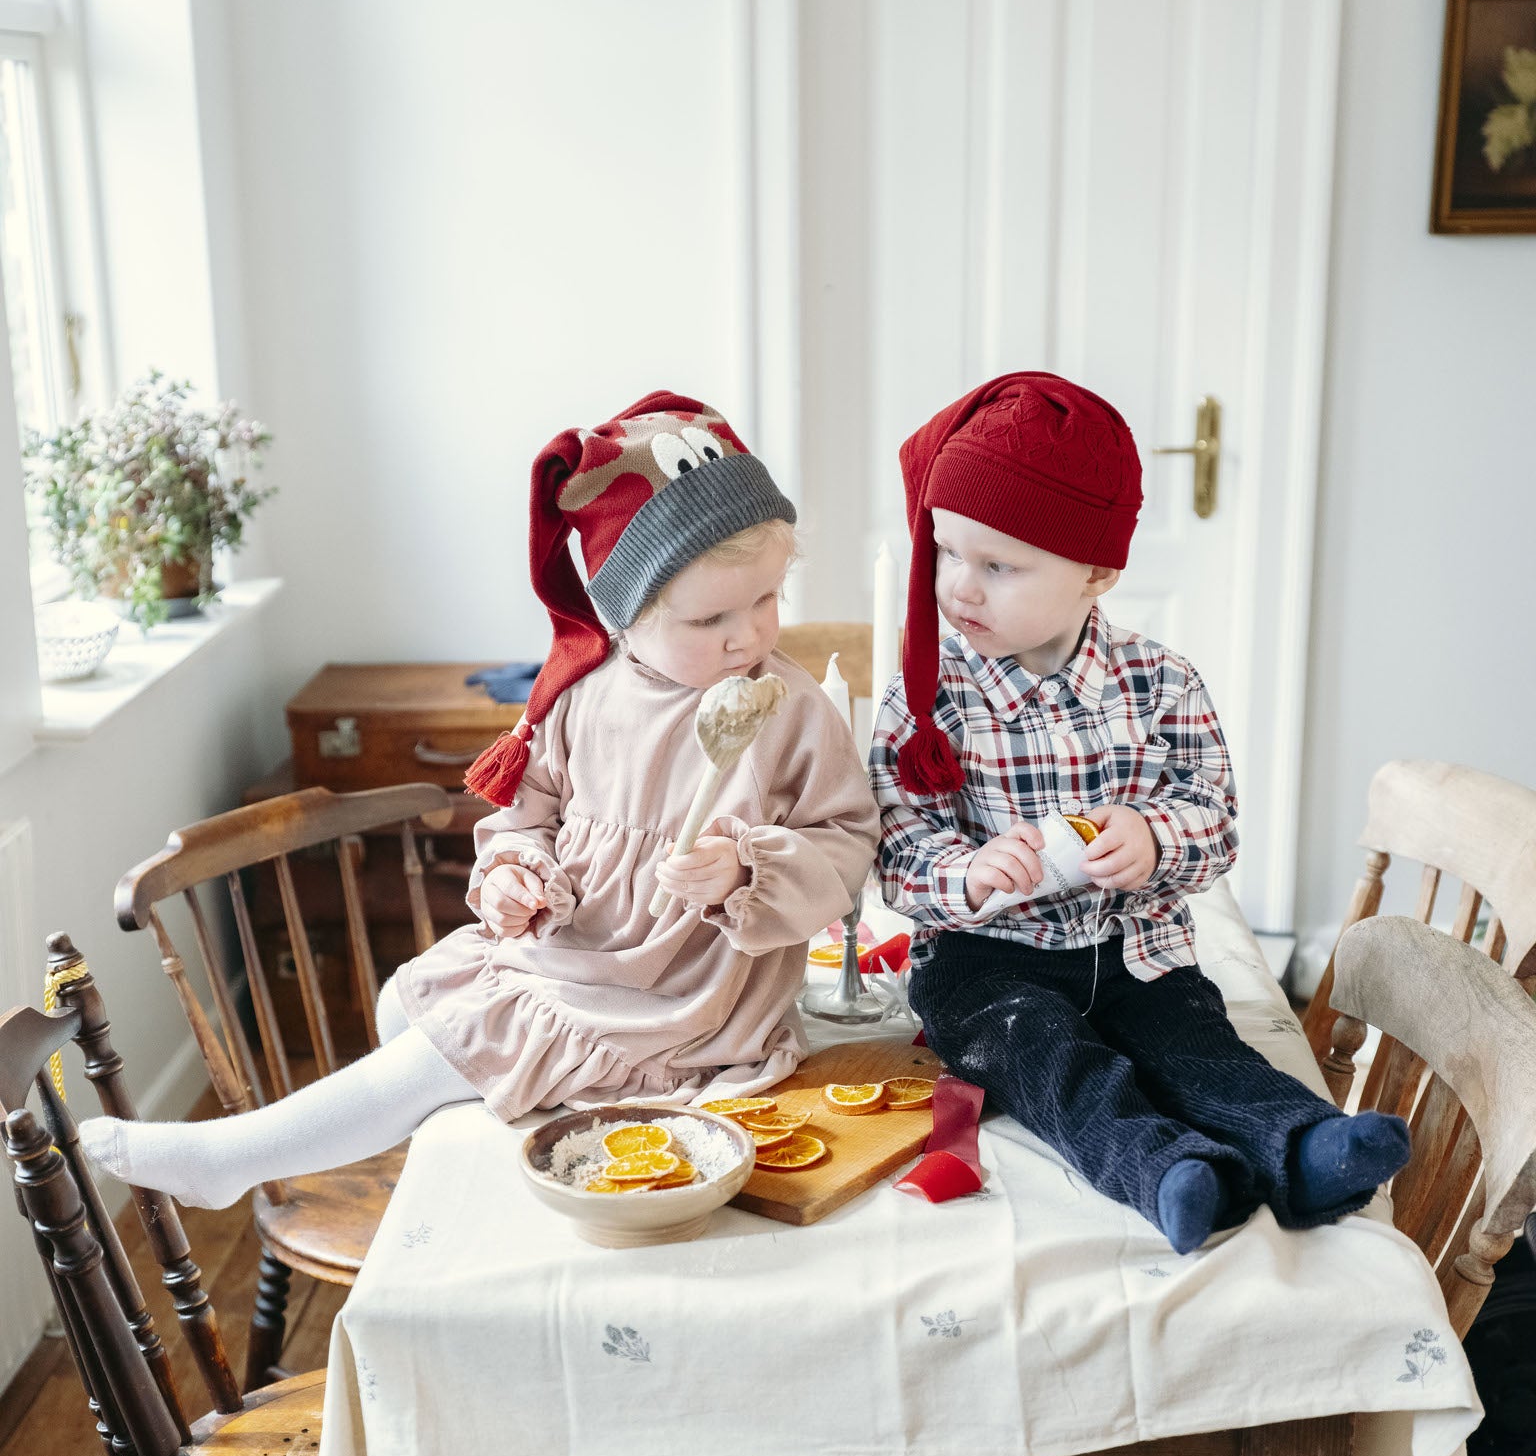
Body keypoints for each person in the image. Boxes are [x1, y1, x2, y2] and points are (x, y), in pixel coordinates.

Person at [82, 392, 878, 1208]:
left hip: (679, 994)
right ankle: (456, 1144)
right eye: (710, 617)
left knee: (451, 1044)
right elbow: (525, 817)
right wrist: (517, 874)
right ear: (623, 615)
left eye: (767, 601)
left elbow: (847, 841)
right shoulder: (581, 698)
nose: (747, 635)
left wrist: (744, 871)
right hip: (575, 950)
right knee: (404, 1003)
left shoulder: (790, 711)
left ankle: (234, 1158)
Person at [869, 371, 1408, 1254]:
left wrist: (1156, 837)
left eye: (998, 565)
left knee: (1197, 1046)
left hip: (1136, 952)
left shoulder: (1161, 683)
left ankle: (1306, 1145)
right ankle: (1168, 1173)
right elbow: (897, 851)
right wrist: (966, 872)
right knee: (1052, 1064)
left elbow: (1215, 818)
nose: (959, 588)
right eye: (947, 552)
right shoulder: (928, 697)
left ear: (1098, 571)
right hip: (989, 967)